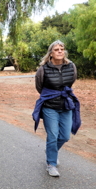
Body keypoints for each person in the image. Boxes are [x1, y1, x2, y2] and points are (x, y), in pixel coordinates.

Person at [32, 40, 81, 177]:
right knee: (53, 135)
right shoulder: (43, 69)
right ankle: (51, 164)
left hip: (66, 105)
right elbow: (40, 88)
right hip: (50, 107)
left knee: (65, 136)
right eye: (56, 49)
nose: (60, 51)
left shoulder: (71, 66)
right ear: (51, 53)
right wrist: (52, 96)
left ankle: (50, 151)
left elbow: (71, 82)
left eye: (62, 49)